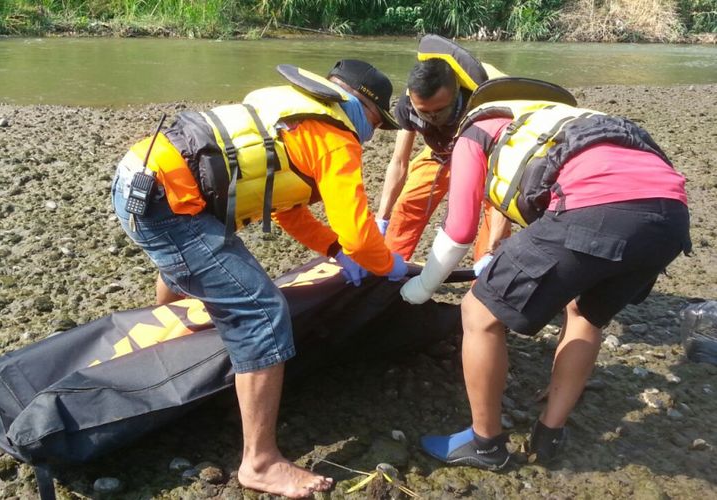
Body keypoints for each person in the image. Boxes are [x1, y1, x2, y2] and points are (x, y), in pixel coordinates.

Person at [112, 59, 407, 498]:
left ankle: (168, 339)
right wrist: (389, 265)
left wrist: (333, 251)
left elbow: (288, 208)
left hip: (137, 179)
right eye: (377, 123)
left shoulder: (294, 113)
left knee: (186, 262)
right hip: (167, 204)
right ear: (365, 108)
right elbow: (361, 236)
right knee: (263, 313)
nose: (372, 134)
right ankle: (261, 463)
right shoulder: (336, 137)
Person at [400, 77, 691, 469]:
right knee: (586, 313)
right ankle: (549, 433)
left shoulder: (478, 127)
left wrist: (419, 288)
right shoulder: (566, 117)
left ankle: (485, 443)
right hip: (670, 217)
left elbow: (459, 232)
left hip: (597, 207)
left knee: (478, 313)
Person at [375, 34, 510, 267]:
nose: (431, 117)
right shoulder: (408, 105)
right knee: (409, 202)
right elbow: (399, 162)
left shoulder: (483, 108)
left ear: (456, 92)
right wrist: (381, 217)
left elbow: (504, 179)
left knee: (490, 216)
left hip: (486, 158)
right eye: (423, 112)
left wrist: (494, 245)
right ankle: (388, 264)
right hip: (440, 152)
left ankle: (487, 270)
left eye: (438, 111)